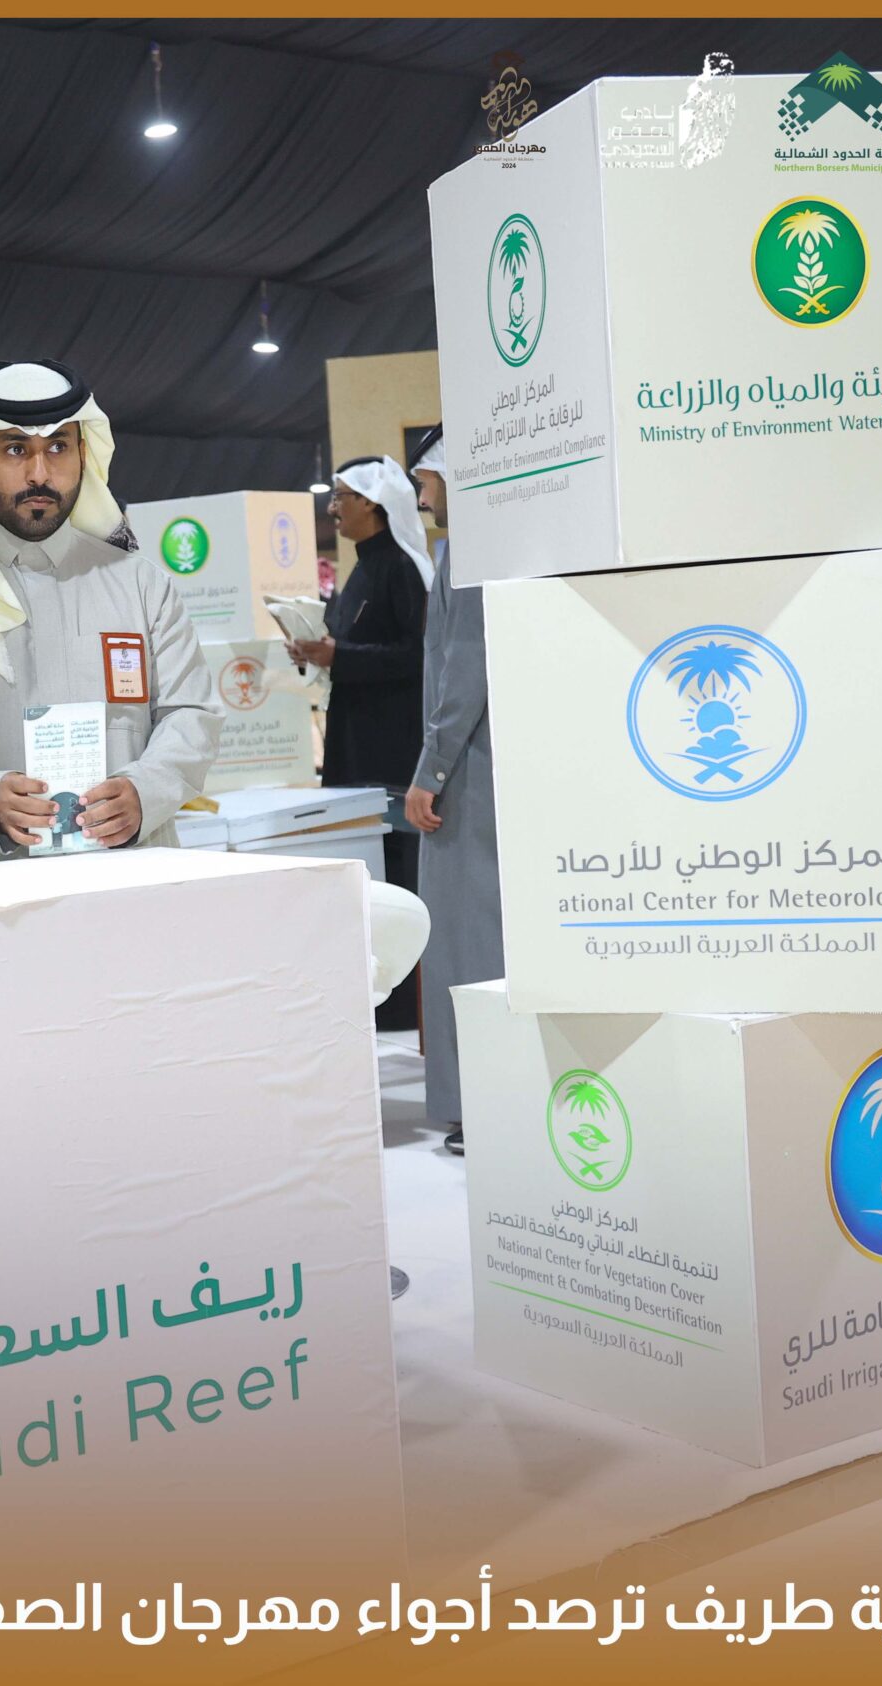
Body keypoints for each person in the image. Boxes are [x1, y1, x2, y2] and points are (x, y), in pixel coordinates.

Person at [0, 359, 221, 867]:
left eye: (57, 447)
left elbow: (191, 713)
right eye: (15, 450)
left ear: (83, 454)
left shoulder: (141, 584)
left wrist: (145, 791)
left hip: (127, 875)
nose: (40, 473)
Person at [288, 453, 429, 1029]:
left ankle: (402, 1007)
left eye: (340, 497)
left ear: (371, 503)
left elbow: (416, 657)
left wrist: (340, 655)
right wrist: (321, 652)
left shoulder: (401, 568)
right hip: (355, 737)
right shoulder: (363, 568)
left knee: (394, 869)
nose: (332, 509)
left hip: (390, 748)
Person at [399, 427, 501, 1152]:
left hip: (468, 773)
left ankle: (481, 1105)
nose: (422, 495)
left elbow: (463, 674)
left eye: (426, 479)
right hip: (487, 767)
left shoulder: (470, 552)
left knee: (468, 942)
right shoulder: (480, 548)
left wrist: (429, 772)